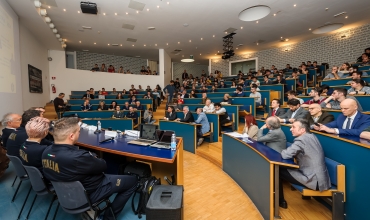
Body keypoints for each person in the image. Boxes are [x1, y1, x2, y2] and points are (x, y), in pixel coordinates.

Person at [42, 117, 137, 220]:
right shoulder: (79, 157)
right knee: (132, 181)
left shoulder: (46, 152)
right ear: (71, 136)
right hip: (91, 191)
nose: (79, 134)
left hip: (65, 194)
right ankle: (108, 218)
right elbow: (103, 166)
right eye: (79, 131)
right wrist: (92, 156)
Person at [279, 119, 331, 209]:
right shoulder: (311, 136)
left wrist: (283, 150)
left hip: (314, 180)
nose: (291, 129)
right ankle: (280, 201)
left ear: (302, 130)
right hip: (321, 179)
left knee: (277, 170)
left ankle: (280, 201)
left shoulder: (301, 140)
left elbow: (285, 154)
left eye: (293, 127)